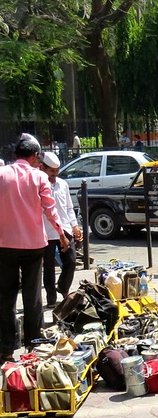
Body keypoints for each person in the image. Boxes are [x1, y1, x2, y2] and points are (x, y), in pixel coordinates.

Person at [0, 133, 69, 362]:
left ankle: (7, 348)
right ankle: (33, 345)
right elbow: (50, 210)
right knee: (33, 296)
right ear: (34, 157)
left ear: (15, 154)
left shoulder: (1, 174)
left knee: (6, 297)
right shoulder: (39, 177)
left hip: (5, 245)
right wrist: (61, 234)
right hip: (33, 245)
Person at [40, 152, 82, 309]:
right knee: (48, 266)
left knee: (70, 261)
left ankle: (63, 288)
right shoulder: (38, 184)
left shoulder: (63, 184)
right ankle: (51, 298)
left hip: (64, 228)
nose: (54, 174)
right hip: (46, 231)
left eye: (57, 171)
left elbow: (69, 208)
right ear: (43, 168)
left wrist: (75, 225)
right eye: (51, 171)